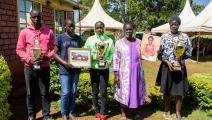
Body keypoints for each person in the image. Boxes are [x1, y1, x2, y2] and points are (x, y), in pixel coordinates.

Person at [16, 10, 55, 120]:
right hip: (29, 67)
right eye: (34, 17)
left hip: (44, 67)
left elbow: (55, 48)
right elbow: (19, 50)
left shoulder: (49, 32)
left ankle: (46, 115)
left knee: (45, 93)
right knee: (30, 93)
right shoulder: (24, 32)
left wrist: (47, 57)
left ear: (41, 17)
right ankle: (31, 115)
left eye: (38, 17)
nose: (36, 19)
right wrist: (29, 59)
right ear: (30, 17)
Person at [156, 16, 192, 120]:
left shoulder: (184, 37)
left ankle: (177, 113)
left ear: (179, 25)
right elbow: (159, 54)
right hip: (167, 67)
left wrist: (181, 56)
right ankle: (166, 112)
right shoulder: (164, 36)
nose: (174, 25)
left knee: (179, 92)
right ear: (169, 24)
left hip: (179, 67)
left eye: (176, 24)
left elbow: (189, 52)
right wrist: (166, 61)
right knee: (166, 91)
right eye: (172, 23)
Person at [113, 22, 146, 120]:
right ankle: (123, 113)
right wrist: (116, 74)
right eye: (126, 29)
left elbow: (143, 55)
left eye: (130, 29)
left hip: (137, 72)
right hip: (124, 72)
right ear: (124, 30)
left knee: (137, 91)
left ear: (133, 30)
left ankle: (136, 112)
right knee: (122, 91)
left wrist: (148, 54)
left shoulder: (139, 42)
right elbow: (116, 59)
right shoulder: (119, 43)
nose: (128, 31)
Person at [84, 21, 114, 120]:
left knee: (103, 91)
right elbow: (85, 53)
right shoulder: (90, 39)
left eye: (101, 27)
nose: (99, 29)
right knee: (95, 91)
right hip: (94, 69)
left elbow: (112, 54)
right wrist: (94, 56)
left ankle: (103, 112)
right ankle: (96, 111)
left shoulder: (109, 40)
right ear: (94, 28)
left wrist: (108, 62)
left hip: (104, 69)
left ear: (104, 28)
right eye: (97, 28)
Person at [54, 19, 83, 120]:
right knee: (65, 92)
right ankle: (63, 114)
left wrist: (83, 62)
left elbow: (82, 53)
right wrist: (65, 63)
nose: (72, 28)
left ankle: (71, 112)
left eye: (73, 26)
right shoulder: (60, 37)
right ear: (65, 26)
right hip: (64, 70)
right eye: (69, 26)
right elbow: (54, 54)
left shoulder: (78, 38)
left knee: (73, 91)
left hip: (75, 70)